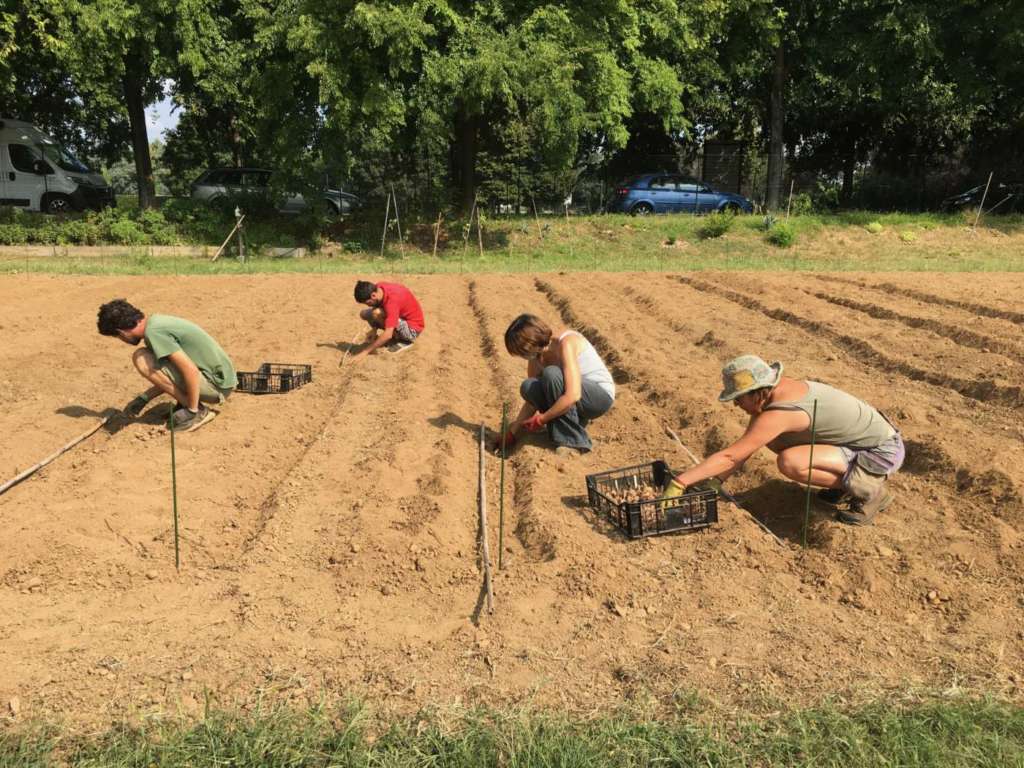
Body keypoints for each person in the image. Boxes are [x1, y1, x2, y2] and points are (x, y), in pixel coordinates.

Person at [663, 355, 904, 525]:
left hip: (881, 451)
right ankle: (846, 483)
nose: (736, 404)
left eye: (738, 398)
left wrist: (680, 483)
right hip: (858, 443)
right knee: (774, 441)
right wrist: (715, 482)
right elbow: (745, 449)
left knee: (790, 462)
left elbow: (730, 455)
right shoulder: (776, 394)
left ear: (757, 391)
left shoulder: (781, 412)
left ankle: (868, 491)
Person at [97, 299, 236, 433]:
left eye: (117, 337)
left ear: (121, 332)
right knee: (149, 356)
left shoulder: (154, 333)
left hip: (215, 387)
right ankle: (188, 403)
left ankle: (198, 411)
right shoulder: (156, 323)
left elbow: (190, 371)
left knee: (141, 357)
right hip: (220, 381)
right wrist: (145, 397)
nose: (121, 340)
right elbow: (168, 372)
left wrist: (192, 410)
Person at [495, 314, 615, 454]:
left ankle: (573, 442)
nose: (523, 357)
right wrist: (513, 432)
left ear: (530, 343)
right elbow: (533, 400)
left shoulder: (566, 343)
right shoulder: (536, 357)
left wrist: (542, 419)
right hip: (577, 398)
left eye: (522, 352)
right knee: (529, 386)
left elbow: (573, 395)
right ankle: (569, 424)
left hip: (598, 397)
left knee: (551, 374)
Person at [350, 280, 425, 361]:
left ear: (373, 295)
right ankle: (395, 335)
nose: (368, 305)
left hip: (412, 329)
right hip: (400, 317)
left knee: (377, 313)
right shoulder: (379, 288)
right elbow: (378, 305)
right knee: (364, 314)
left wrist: (364, 352)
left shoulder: (392, 301)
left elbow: (388, 334)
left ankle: (404, 341)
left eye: (368, 303)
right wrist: (374, 329)